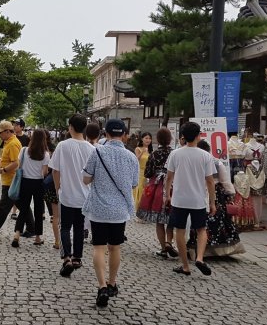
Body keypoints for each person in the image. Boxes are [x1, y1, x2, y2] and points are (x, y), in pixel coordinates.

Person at [82, 118, 138, 307]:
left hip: (99, 207)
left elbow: (86, 179)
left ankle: (101, 286)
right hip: (119, 210)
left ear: (105, 134)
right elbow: (133, 184)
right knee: (115, 247)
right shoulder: (131, 157)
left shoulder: (97, 152)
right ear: (124, 135)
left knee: (98, 247)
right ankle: (112, 282)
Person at [163, 122, 216, 276]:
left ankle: (185, 265)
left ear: (183, 136)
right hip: (198, 199)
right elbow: (210, 181)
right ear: (198, 136)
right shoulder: (206, 156)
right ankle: (199, 258)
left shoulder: (176, 154)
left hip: (179, 199)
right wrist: (212, 202)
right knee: (201, 229)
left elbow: (169, 178)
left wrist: (167, 195)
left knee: (179, 230)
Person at [49, 114, 95, 277]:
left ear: (70, 126)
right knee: (79, 227)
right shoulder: (92, 148)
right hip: (85, 195)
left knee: (65, 226)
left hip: (67, 194)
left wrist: (57, 187)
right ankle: (77, 257)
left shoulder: (63, 145)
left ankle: (66, 257)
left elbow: (55, 169)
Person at [0, 120, 34, 241]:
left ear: (8, 131)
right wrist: (1, 162)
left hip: (11, 181)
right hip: (10, 180)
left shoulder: (13, 143)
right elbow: (10, 159)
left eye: (0, 133)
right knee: (22, 205)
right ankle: (31, 228)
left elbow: (16, 162)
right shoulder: (9, 142)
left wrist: (2, 170)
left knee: (3, 208)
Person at [195, 140, 244, 257]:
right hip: (215, 194)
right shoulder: (217, 163)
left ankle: (197, 248)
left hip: (198, 192)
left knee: (199, 222)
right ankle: (218, 249)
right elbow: (225, 181)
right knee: (218, 220)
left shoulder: (195, 162)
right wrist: (231, 193)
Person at [136, 128, 177, 258]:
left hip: (158, 187)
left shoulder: (154, 154)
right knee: (171, 218)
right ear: (170, 139)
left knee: (160, 220)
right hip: (173, 186)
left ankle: (163, 248)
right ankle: (169, 242)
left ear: (158, 140)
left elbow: (148, 173)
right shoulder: (175, 153)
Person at [12, 129, 50, 247]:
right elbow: (44, 172)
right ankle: (38, 238)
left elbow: (19, 165)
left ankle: (17, 235)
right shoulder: (45, 154)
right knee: (39, 210)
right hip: (38, 183)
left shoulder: (24, 150)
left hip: (25, 182)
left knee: (23, 209)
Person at [9, 118, 31, 221]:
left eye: (17, 125)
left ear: (22, 127)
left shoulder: (26, 139)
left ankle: (20, 212)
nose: (14, 126)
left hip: (22, 168)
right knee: (14, 189)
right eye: (14, 124)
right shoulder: (10, 138)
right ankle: (14, 212)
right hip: (11, 167)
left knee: (18, 189)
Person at [133, 132, 153, 210]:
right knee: (140, 191)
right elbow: (136, 160)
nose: (148, 140)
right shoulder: (138, 148)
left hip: (148, 173)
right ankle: (139, 210)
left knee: (147, 192)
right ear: (142, 139)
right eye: (146, 138)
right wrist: (142, 152)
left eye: (149, 138)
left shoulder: (151, 150)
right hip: (140, 173)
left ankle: (145, 210)